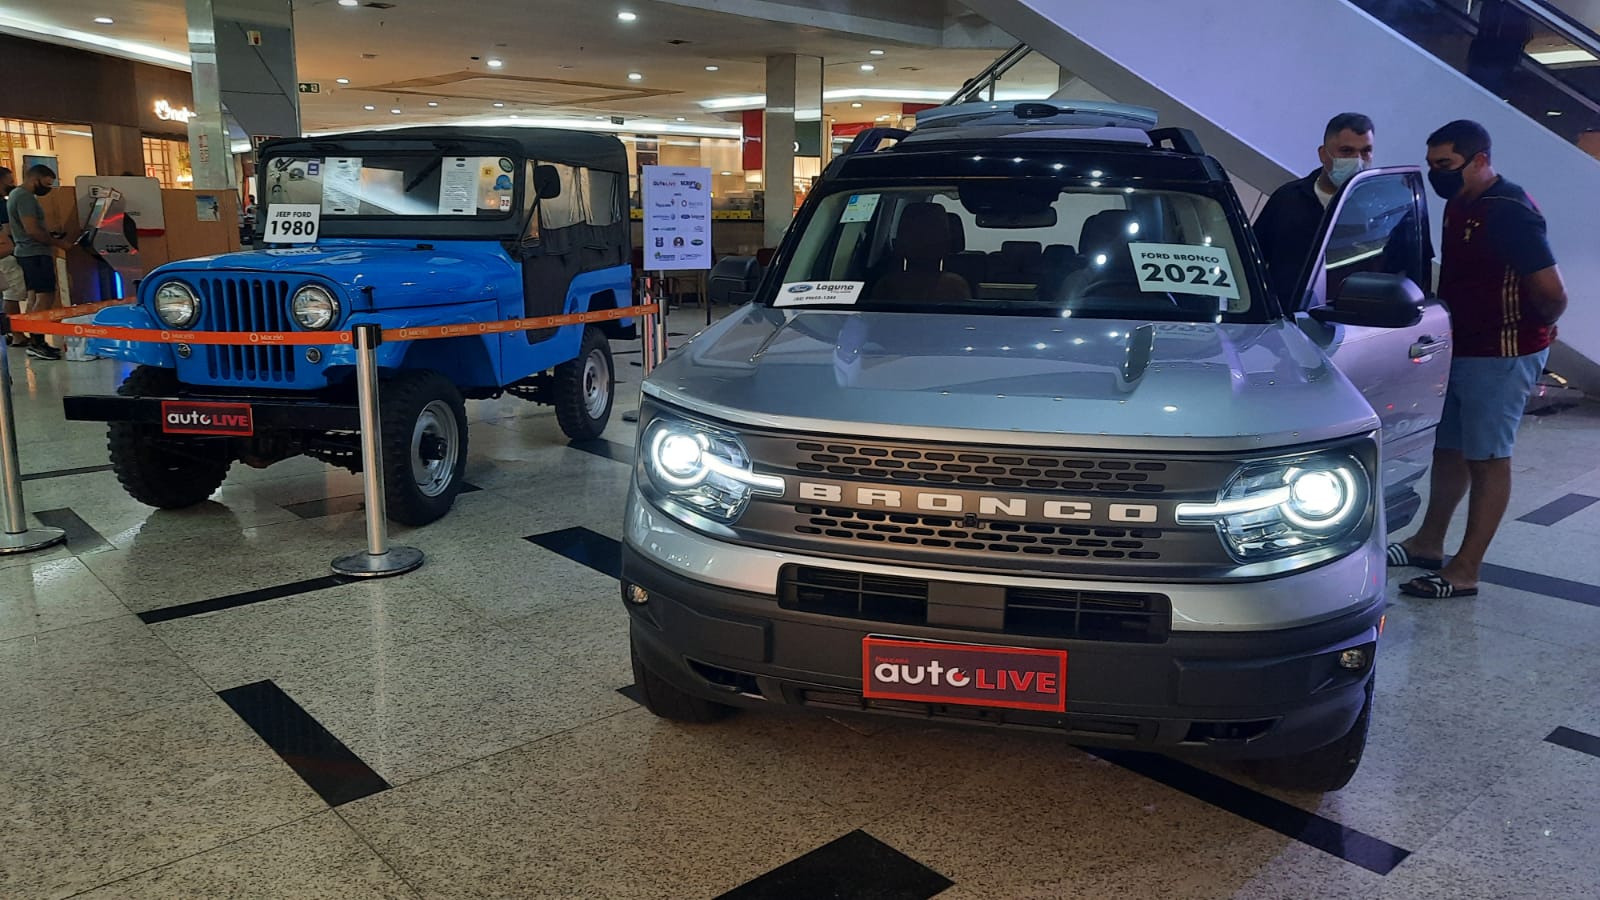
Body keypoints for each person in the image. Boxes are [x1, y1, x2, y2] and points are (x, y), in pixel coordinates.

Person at [1390, 120, 1568, 598]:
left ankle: (1466, 569)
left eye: (1446, 164)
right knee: (1449, 448)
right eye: (1433, 165)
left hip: (1502, 353)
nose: (1438, 174)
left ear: (1481, 160)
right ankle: (1429, 542)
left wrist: (1534, 330)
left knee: (1488, 457)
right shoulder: (1459, 203)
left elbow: (1553, 292)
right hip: (1461, 347)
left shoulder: (1510, 211)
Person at [1254, 113, 1375, 306]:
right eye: (1346, 151)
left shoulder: (1379, 209)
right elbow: (1254, 259)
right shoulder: (1288, 199)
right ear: (1323, 154)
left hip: (1347, 318)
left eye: (1366, 151)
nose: (1358, 160)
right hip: (1285, 315)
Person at [6, 164, 71, 360]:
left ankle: (36, 341)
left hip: (28, 253)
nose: (48, 188)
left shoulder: (17, 195)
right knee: (45, 297)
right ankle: (37, 342)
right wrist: (59, 243)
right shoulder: (25, 197)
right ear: (35, 179)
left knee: (35, 298)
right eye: (47, 183)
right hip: (34, 253)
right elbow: (32, 230)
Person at [0, 166, 26, 347]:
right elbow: (7, 230)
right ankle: (17, 333)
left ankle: (10, 332)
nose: (12, 184)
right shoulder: (2, 204)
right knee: (12, 294)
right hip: (6, 253)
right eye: (9, 181)